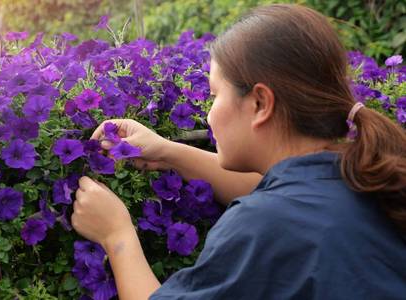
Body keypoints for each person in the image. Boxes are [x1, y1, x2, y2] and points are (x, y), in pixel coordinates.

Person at [72, 4, 406, 300]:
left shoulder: (261, 225)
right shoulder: (367, 173)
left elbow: (273, 213)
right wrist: (168, 152)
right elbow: (274, 191)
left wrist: (117, 235)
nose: (209, 112)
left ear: (260, 103)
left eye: (215, 94)